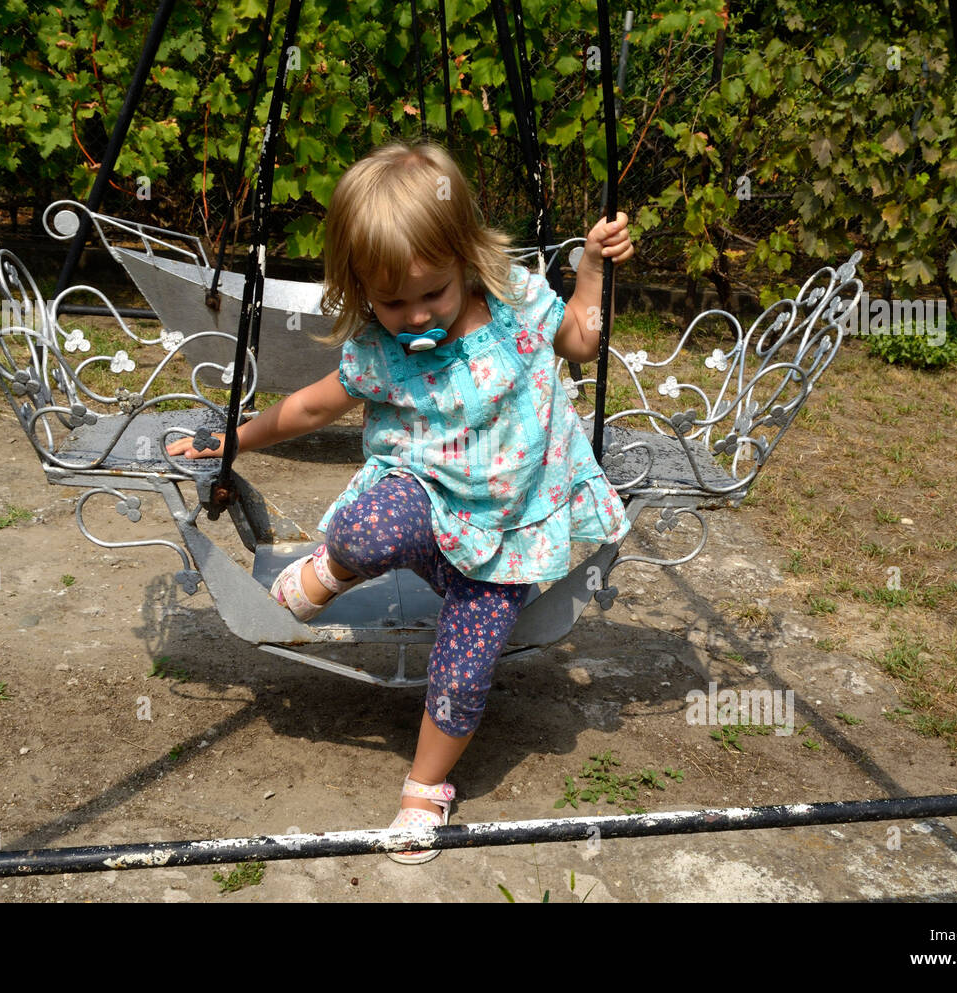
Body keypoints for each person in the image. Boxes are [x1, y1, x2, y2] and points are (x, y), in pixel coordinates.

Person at [167, 141, 634, 863]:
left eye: (432, 295)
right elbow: (310, 410)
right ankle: (327, 573)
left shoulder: (513, 302)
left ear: (467, 259)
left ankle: (425, 787)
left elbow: (580, 342)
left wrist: (594, 271)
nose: (415, 317)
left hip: (502, 538)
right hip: (424, 504)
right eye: (392, 302)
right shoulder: (381, 351)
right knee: (363, 526)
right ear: (361, 291)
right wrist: (236, 439)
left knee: (466, 665)